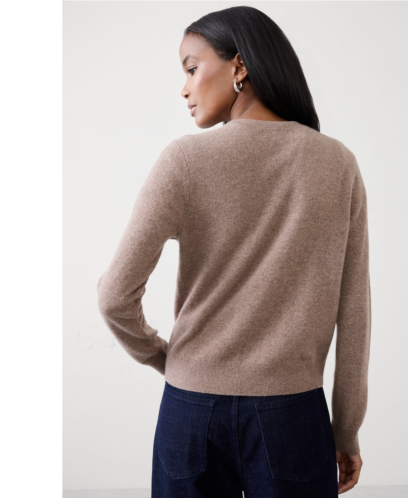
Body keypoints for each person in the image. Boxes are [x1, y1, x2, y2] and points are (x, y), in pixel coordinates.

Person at [97, 6, 371, 497]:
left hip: (190, 410)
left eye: (191, 68)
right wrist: (346, 428)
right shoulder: (337, 164)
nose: (184, 88)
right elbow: (354, 315)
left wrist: (168, 359)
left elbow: (114, 296)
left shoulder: (184, 160)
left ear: (239, 65)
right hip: (293, 414)